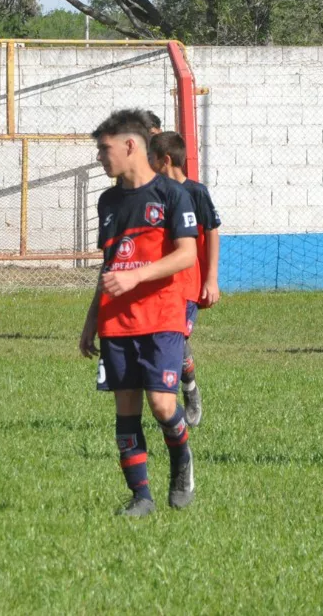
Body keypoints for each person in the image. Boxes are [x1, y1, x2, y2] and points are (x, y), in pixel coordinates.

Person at [79, 109, 199, 516]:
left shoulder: (171, 194)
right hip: (117, 322)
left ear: (130, 146)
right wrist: (91, 320)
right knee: (125, 409)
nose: (100, 157)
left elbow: (186, 255)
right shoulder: (108, 201)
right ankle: (141, 497)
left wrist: (137, 278)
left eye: (104, 148)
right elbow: (109, 265)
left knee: (163, 406)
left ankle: (182, 460)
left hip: (162, 317)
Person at [147, 131, 221, 427]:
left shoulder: (196, 192)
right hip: (162, 285)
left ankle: (188, 391)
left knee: (177, 339)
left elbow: (213, 233)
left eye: (151, 159)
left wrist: (211, 278)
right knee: (166, 340)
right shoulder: (151, 194)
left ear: (165, 161)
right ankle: (174, 394)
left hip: (189, 284)